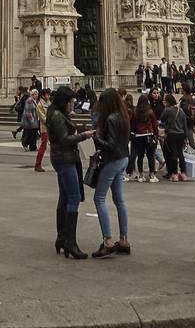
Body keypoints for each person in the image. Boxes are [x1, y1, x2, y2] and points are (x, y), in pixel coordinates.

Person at [44, 86, 92, 260]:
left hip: (63, 158)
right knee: (73, 197)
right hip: (65, 159)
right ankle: (70, 243)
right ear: (65, 102)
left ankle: (62, 237)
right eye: (71, 101)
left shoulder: (57, 113)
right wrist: (84, 135)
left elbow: (64, 131)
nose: (73, 104)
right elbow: (63, 139)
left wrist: (80, 128)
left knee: (64, 197)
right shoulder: (57, 115)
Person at [89, 87, 132, 257]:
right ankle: (124, 240)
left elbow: (111, 145)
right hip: (123, 159)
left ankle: (107, 241)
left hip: (113, 160)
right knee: (119, 200)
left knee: (99, 198)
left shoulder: (111, 119)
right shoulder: (123, 116)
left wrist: (97, 138)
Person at [159, 94, 188, 182]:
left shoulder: (167, 110)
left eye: (164, 100)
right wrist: (186, 137)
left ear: (167, 101)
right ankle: (183, 174)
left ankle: (174, 174)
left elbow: (161, 120)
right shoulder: (181, 111)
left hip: (172, 134)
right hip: (181, 134)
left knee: (173, 154)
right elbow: (185, 125)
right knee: (180, 154)